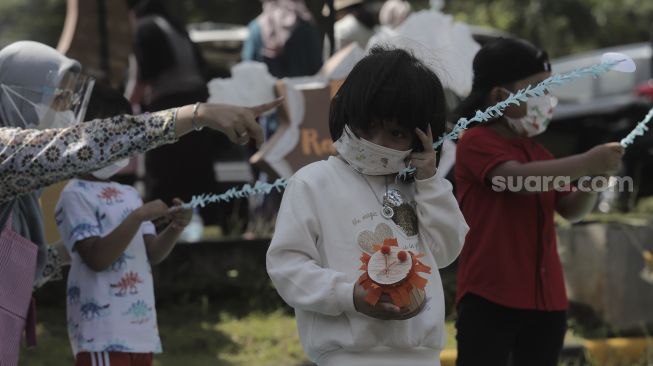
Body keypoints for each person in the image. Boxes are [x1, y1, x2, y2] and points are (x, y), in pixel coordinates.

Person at [0, 40, 279, 365]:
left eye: (69, 99)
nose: (66, 112)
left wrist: (69, 251)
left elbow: (19, 265)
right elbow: (86, 144)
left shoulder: (21, 187)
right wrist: (197, 114)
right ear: (13, 93)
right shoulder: (7, 154)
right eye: (57, 97)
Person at [266, 47, 469, 366]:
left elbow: (447, 249)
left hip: (421, 357)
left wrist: (429, 180)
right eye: (368, 125)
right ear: (347, 113)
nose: (377, 141)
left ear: (421, 141)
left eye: (397, 133)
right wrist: (350, 295)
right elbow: (286, 266)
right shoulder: (312, 183)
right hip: (348, 357)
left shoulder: (419, 187)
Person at [453, 37, 625, 366]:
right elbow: (519, 181)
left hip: (547, 304)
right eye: (537, 90)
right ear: (499, 97)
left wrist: (592, 181)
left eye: (549, 89)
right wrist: (585, 163)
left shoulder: (537, 152)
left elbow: (571, 210)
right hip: (491, 299)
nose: (546, 100)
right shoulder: (475, 143)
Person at [55, 87, 192, 365]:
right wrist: (138, 216)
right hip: (101, 336)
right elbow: (97, 258)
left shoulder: (128, 194)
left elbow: (151, 253)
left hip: (140, 333)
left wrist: (175, 228)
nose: (118, 146)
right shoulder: (75, 194)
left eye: (124, 137)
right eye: (109, 136)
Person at [128, 0, 221, 225]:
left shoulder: (145, 27)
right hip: (197, 104)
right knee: (199, 170)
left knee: (163, 174)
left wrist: (126, 105)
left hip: (169, 106)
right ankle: (214, 223)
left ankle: (159, 226)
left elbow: (146, 75)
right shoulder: (176, 26)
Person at [242, 0, 323, 78]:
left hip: (265, 90)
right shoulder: (306, 26)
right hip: (301, 90)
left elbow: (248, 69)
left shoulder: (256, 27)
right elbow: (318, 67)